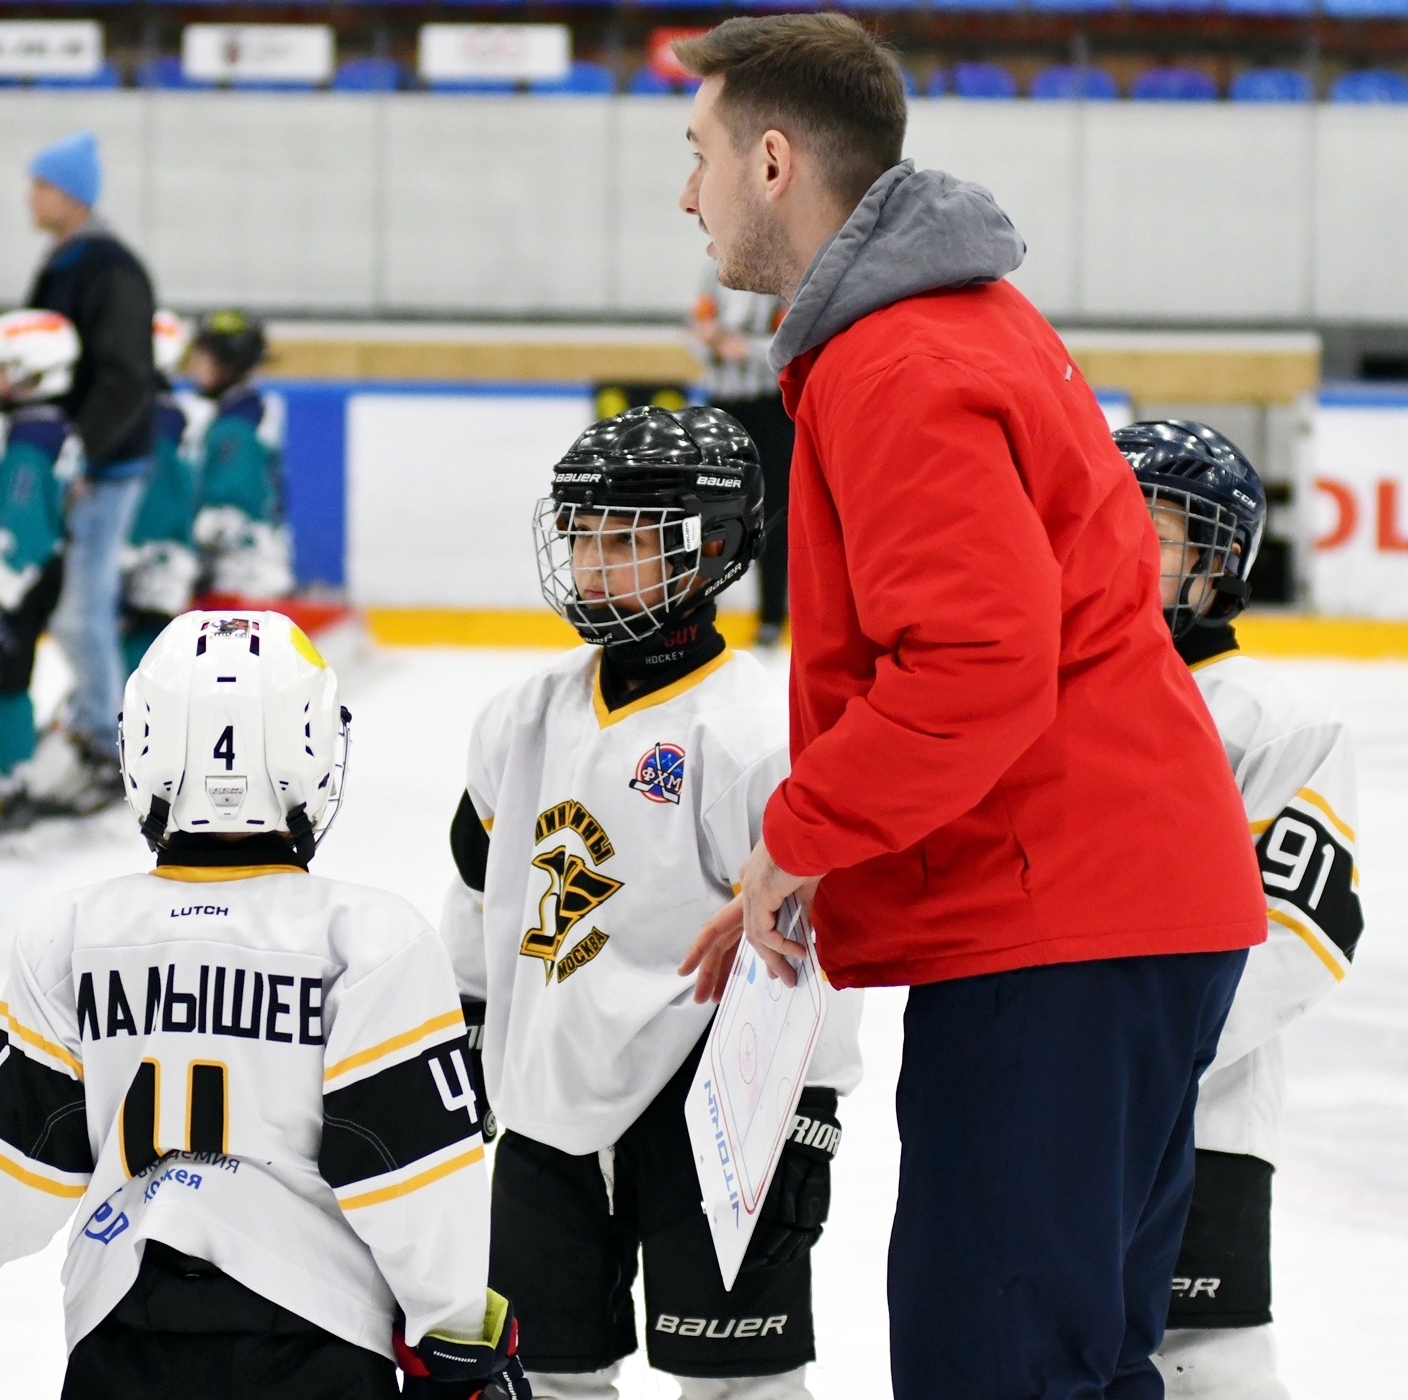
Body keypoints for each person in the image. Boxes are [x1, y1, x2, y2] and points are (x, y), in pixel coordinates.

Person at [669, 17, 1267, 1400]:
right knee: (1079, 1359)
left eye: (698, 155)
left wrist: (802, 832)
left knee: (998, 1366)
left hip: (1058, 922)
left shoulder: (898, 363)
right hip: (1111, 904)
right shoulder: (951, 324)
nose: (685, 193)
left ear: (774, 162)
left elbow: (973, 664)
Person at [0, 610, 531, 1400]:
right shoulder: (371, 939)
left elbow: (14, 1163)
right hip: (316, 1336)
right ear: (309, 753)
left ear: (147, 748)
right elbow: (409, 1178)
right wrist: (455, 1334)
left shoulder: (74, 932)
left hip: (124, 1327)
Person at [441, 406, 864, 1400]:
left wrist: (808, 1106)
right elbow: (475, 889)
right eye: (583, 536)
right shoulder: (520, 717)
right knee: (544, 1379)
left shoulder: (758, 733)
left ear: (710, 549)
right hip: (544, 1103)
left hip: (711, 1109)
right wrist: (464, 1029)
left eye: (627, 541)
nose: (593, 566)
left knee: (740, 1386)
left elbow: (816, 942)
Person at [1110, 422, 1362, 1400]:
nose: (1117, 546)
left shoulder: (1272, 718)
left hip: (1200, 1118)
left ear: (1218, 562)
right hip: (1051, 1108)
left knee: (1204, 1364)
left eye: (1152, 531)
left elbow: (1299, 931)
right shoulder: (1047, 696)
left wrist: (1135, 1055)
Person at [24, 131, 158, 795]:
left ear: (73, 195)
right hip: (83, 463)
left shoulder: (107, 268)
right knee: (76, 606)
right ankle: (93, 721)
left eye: (42, 185)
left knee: (82, 608)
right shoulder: (74, 260)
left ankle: (104, 739)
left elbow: (126, 375)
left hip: (103, 469)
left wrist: (81, 450)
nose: (30, 197)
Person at [0, 311, 79, 834]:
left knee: (5, 679)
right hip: (32, 576)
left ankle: (14, 784)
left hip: (20, 582)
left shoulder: (33, 437)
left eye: (0, 369)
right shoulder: (42, 426)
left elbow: (22, 524)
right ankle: (13, 778)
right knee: (4, 677)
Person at [686, 268, 791, 647]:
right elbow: (694, 332)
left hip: (769, 408)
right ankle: (699, 611)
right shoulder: (713, 279)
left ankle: (771, 616)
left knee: (773, 512)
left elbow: (792, 341)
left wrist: (745, 348)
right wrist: (711, 344)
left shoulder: (779, 279)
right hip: (721, 406)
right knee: (712, 512)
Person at [188, 312, 293, 601]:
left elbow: (228, 512)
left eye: (202, 356)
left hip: (242, 578)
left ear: (226, 364)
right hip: (248, 571)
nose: (193, 366)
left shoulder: (235, 426)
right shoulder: (243, 414)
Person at [118, 309, 200, 675]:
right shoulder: (165, 413)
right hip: (159, 554)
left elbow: (159, 501)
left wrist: (134, 549)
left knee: (142, 660)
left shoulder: (156, 417)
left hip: (152, 556)